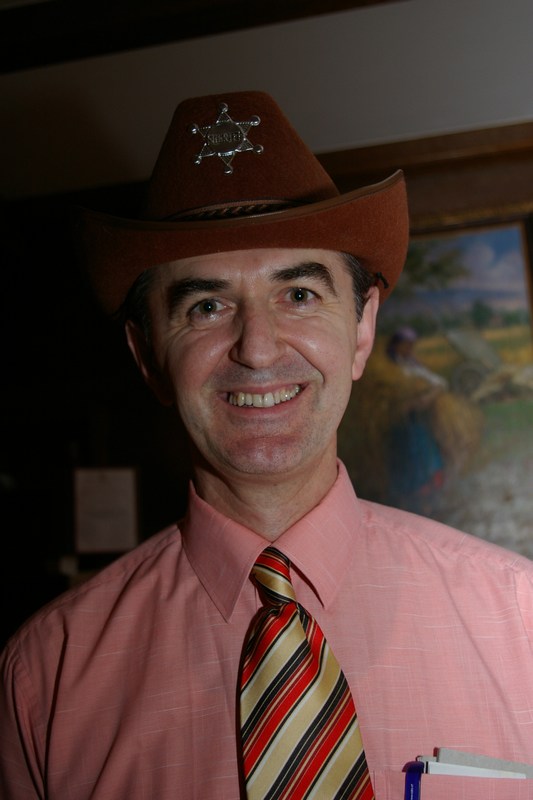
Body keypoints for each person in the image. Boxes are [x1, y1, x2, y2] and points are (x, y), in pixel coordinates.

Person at [1, 91, 533, 800]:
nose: (256, 348)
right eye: (206, 306)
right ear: (148, 356)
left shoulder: (519, 621)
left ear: (363, 330)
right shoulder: (47, 680)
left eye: (299, 296)